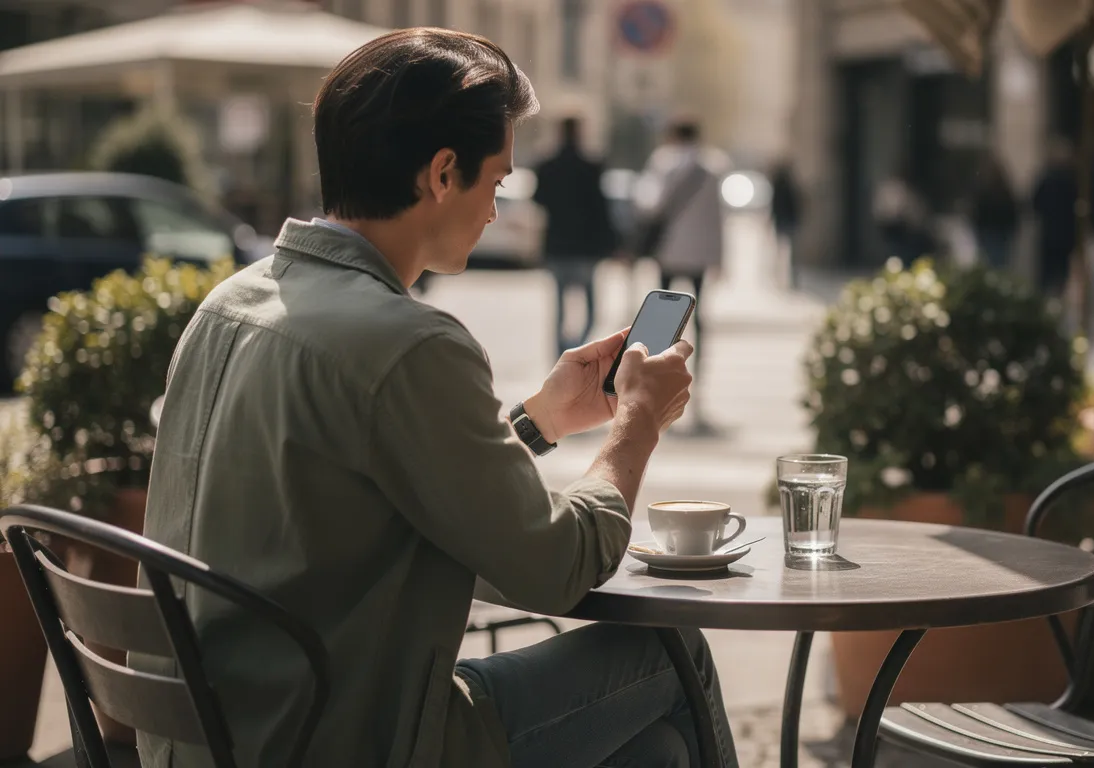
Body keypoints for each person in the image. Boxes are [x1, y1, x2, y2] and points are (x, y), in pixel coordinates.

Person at [134, 28, 737, 768]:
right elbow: (554, 565)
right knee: (673, 656)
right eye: (497, 182)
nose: (495, 210)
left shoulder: (229, 305)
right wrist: (638, 420)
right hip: (350, 738)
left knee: (663, 752)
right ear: (443, 173)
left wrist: (540, 420)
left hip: (212, 736)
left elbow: (388, 494)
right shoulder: (409, 342)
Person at [639, 118, 730, 434]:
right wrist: (720, 258)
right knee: (700, 317)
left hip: (668, 251)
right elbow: (719, 218)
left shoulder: (663, 163)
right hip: (700, 255)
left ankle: (653, 380)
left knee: (662, 319)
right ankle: (698, 384)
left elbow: (650, 206)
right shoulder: (712, 166)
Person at [533, 116, 620, 360]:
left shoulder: (547, 164)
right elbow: (602, 208)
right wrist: (613, 243)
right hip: (585, 247)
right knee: (591, 309)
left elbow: (538, 199)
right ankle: (577, 349)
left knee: (560, 307)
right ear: (580, 132)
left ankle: (560, 356)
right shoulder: (591, 165)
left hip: (557, 245)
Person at [1031, 138, 1079, 293]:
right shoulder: (1070, 180)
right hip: (1064, 231)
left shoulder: (1050, 179)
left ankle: (1048, 295)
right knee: (1059, 269)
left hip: (1052, 231)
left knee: (1048, 270)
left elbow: (1035, 202)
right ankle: (1056, 294)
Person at [969, 156, 1019, 271]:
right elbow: (1012, 210)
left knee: (989, 260)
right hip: (1001, 231)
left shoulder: (983, 190)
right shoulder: (1003, 191)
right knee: (999, 261)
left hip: (988, 230)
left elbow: (977, 210)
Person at [768, 160, 802, 288]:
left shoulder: (779, 186)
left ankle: (779, 276)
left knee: (780, 251)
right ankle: (785, 277)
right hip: (789, 221)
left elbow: (775, 206)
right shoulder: (790, 186)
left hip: (783, 221)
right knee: (790, 252)